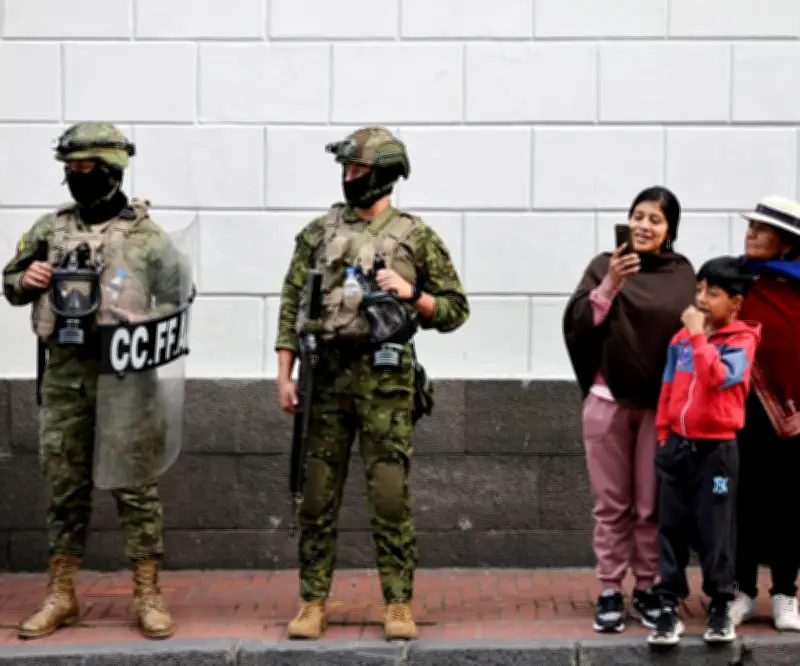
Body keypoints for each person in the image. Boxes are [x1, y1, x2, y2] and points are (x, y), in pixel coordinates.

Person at [274, 126, 469, 641]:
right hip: (325, 375)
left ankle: (398, 604)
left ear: (384, 174)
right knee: (316, 495)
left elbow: (455, 310)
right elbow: (293, 301)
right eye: (347, 169)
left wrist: (414, 296)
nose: (349, 177)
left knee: (389, 496)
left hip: (385, 381)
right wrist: (283, 371)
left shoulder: (415, 236)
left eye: (359, 169)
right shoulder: (318, 233)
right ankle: (313, 601)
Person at [2, 122, 192, 641]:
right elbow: (11, 284)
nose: (74, 177)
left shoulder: (148, 238)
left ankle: (148, 594)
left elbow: (180, 301)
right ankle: (61, 594)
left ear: (110, 171)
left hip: (127, 377)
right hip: (64, 377)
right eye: (69, 169)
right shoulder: (49, 229)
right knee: (65, 487)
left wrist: (147, 325)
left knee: (135, 487)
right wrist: (28, 279)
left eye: (84, 168)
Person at [563, 186, 696, 633]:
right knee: (611, 504)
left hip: (659, 408)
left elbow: (691, 333)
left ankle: (647, 588)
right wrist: (611, 284)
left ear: (669, 230)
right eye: (637, 216)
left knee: (650, 504)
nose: (643, 225)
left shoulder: (681, 275)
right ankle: (609, 590)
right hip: (607, 403)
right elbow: (579, 323)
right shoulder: (604, 265)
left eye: (654, 219)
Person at [647, 257, 760, 647]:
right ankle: (668, 604)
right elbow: (667, 388)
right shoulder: (679, 340)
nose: (702, 299)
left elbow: (716, 379)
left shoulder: (742, 342)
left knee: (716, 527)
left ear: (735, 303)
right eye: (699, 290)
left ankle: (720, 604)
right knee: (671, 525)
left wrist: (698, 337)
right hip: (677, 446)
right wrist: (664, 434)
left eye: (713, 293)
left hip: (717, 451)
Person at [729, 195, 800, 632]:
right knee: (741, 497)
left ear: (787, 243)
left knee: (790, 500)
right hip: (739, 409)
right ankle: (739, 590)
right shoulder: (735, 279)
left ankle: (785, 594)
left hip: (795, 414)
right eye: (751, 227)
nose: (750, 234)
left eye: (761, 229)